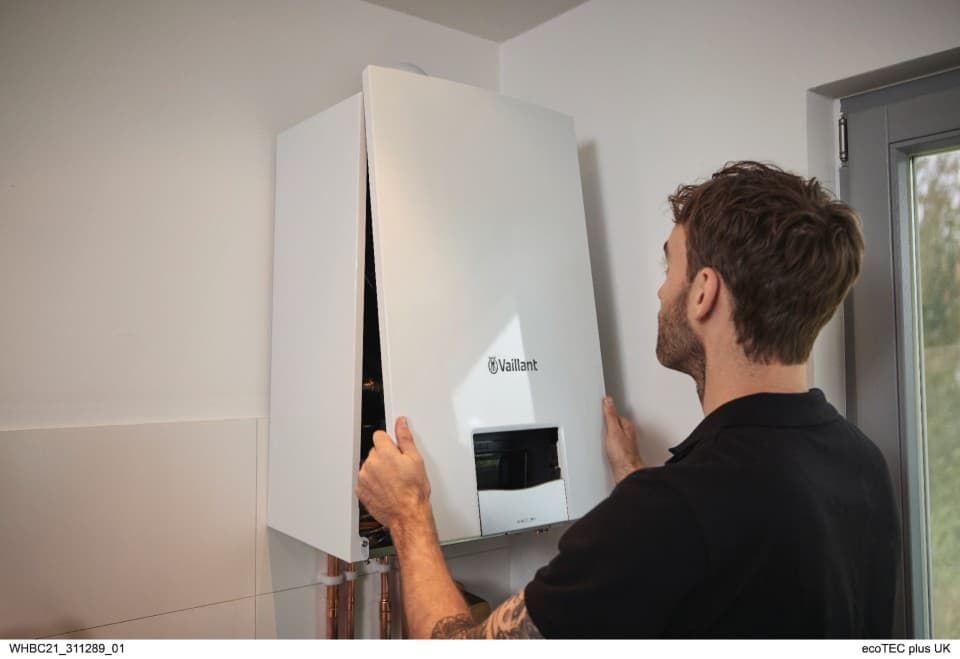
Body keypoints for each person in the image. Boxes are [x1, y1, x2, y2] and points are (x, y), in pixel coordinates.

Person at [355, 161, 901, 639]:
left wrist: (409, 518)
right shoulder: (858, 462)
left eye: (671, 267)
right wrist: (636, 479)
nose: (663, 290)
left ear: (705, 293)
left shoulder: (669, 514)